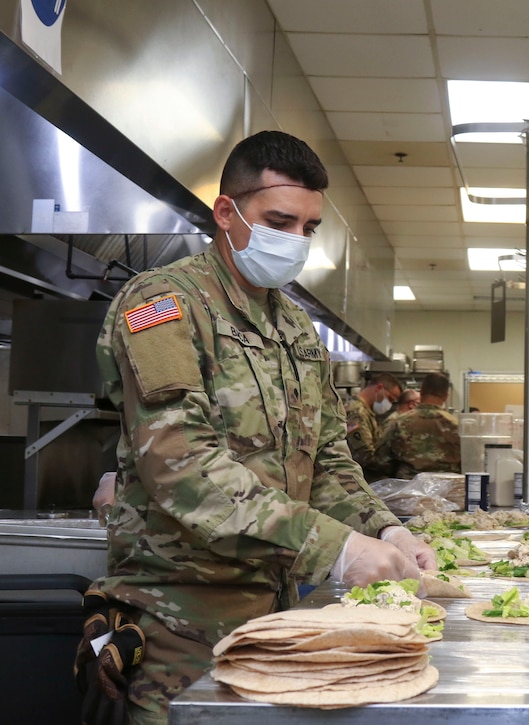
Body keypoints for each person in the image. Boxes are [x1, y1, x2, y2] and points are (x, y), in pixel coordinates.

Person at [82, 130, 435, 724]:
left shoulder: (295, 328)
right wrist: (337, 548)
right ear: (227, 212)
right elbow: (181, 466)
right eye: (279, 221)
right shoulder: (165, 304)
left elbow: (326, 460)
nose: (295, 241)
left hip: (277, 618)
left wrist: (386, 529)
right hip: (181, 627)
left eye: (308, 228)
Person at [372, 373, 461, 479]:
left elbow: (380, 460)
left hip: (409, 488)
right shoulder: (457, 426)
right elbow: (468, 462)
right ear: (446, 396)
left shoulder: (399, 422)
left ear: (421, 391)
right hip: (448, 488)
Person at [343, 372, 402, 479]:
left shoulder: (366, 412)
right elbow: (365, 457)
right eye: (390, 399)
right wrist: (398, 467)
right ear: (379, 388)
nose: (389, 404)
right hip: (359, 479)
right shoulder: (357, 413)